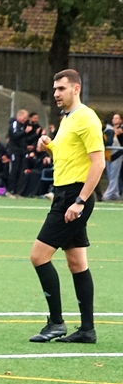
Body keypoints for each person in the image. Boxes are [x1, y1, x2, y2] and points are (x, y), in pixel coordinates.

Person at [28, 69, 105, 344]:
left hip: (74, 197)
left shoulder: (86, 118)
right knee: (77, 262)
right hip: (65, 194)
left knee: (38, 256)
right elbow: (69, 154)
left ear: (76, 88)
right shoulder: (68, 118)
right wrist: (49, 146)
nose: (56, 94)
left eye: (61, 88)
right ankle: (87, 330)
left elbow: (98, 163)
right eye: (55, 89)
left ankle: (56, 322)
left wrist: (80, 201)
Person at [103, 113, 122, 201]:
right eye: (113, 118)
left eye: (116, 118)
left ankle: (108, 194)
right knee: (110, 175)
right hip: (109, 155)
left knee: (114, 175)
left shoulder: (109, 130)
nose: (114, 120)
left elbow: (109, 142)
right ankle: (115, 194)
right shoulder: (107, 130)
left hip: (116, 154)